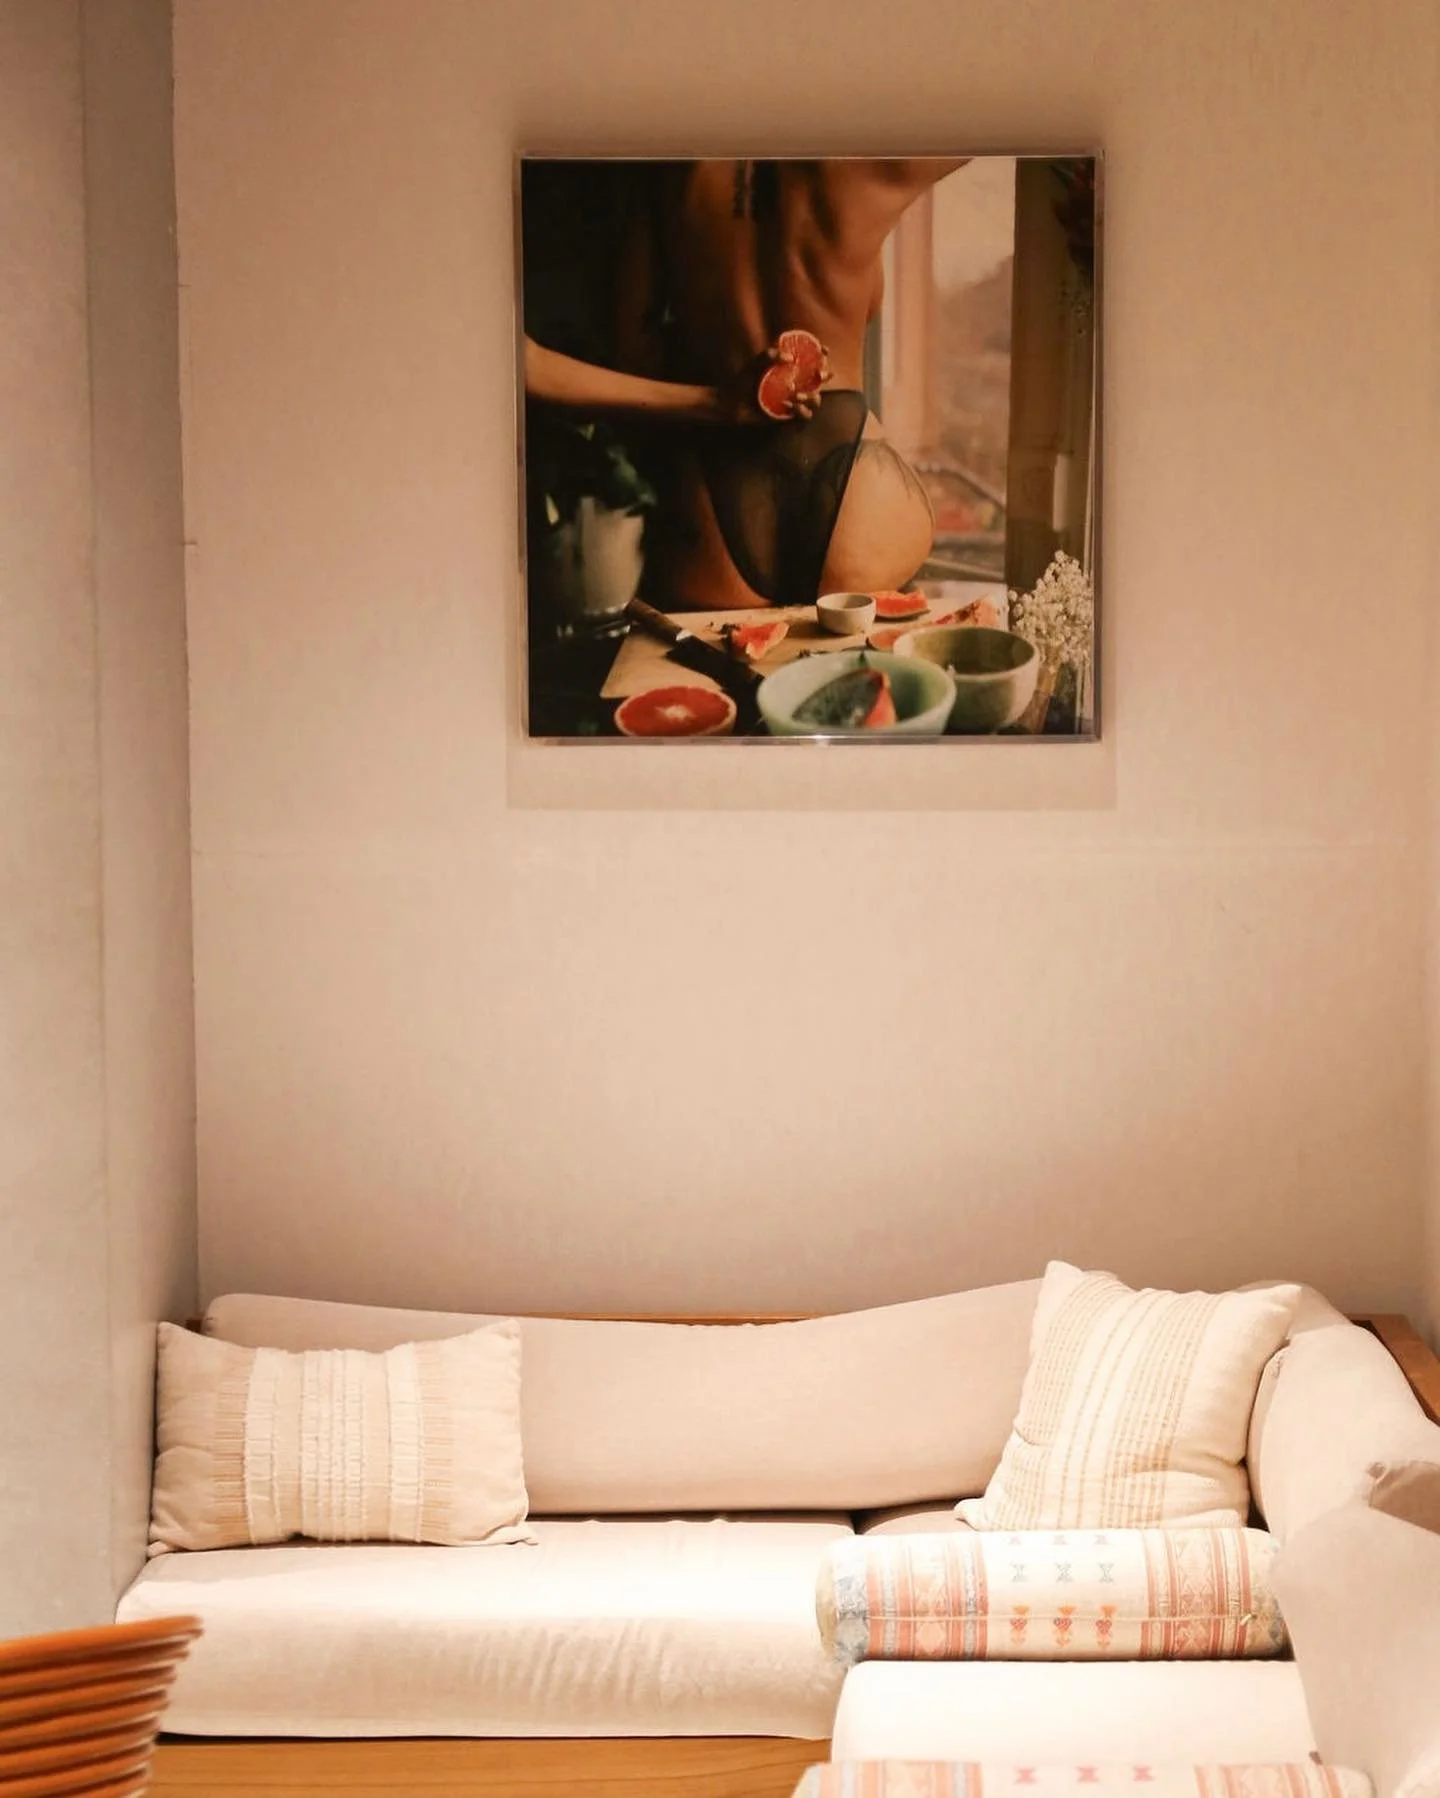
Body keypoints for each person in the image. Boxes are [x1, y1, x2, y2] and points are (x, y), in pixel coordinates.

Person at [612, 157, 968, 611]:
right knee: (864, 655)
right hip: (858, 489)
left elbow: (631, 345)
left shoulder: (668, 167)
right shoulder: (859, 165)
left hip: (715, 476)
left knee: (712, 655)